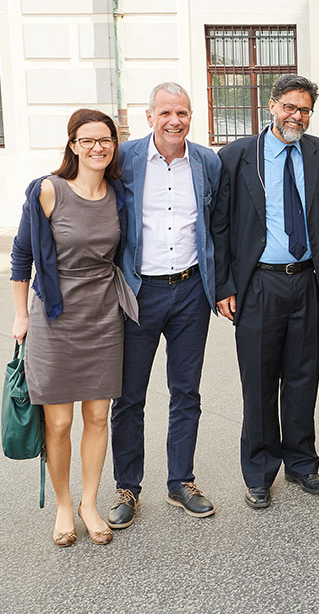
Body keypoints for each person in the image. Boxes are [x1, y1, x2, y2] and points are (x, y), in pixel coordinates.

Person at [10, 108, 139, 546]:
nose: (97, 147)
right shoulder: (48, 190)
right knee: (60, 422)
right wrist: (21, 314)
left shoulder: (117, 194)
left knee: (98, 416)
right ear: (73, 145)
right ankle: (64, 504)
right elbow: (21, 255)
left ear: (114, 145)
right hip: (55, 316)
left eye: (105, 140)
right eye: (88, 140)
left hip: (103, 315)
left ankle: (89, 503)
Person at [211, 74, 319, 509]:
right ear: (272, 105)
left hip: (307, 280)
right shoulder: (237, 155)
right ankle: (260, 472)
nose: (296, 116)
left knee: (303, 377)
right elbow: (220, 225)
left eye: (304, 110)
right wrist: (224, 284)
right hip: (259, 283)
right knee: (259, 381)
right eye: (289, 107)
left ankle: (301, 464)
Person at [107, 82, 221, 529]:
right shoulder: (124, 159)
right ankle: (127, 487)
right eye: (167, 113)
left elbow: (217, 225)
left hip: (191, 291)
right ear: (150, 115)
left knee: (186, 392)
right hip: (139, 293)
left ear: (191, 116)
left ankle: (181, 481)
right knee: (129, 395)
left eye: (183, 113)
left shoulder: (207, 162)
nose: (175, 121)